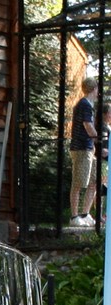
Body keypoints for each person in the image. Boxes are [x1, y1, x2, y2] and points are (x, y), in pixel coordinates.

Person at [70, 77, 99, 228]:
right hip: (81, 148)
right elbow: (88, 126)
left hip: (88, 148)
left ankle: (85, 213)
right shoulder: (85, 105)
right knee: (78, 183)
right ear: (94, 89)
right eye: (97, 89)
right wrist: (98, 139)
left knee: (94, 180)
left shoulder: (87, 104)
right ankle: (74, 216)